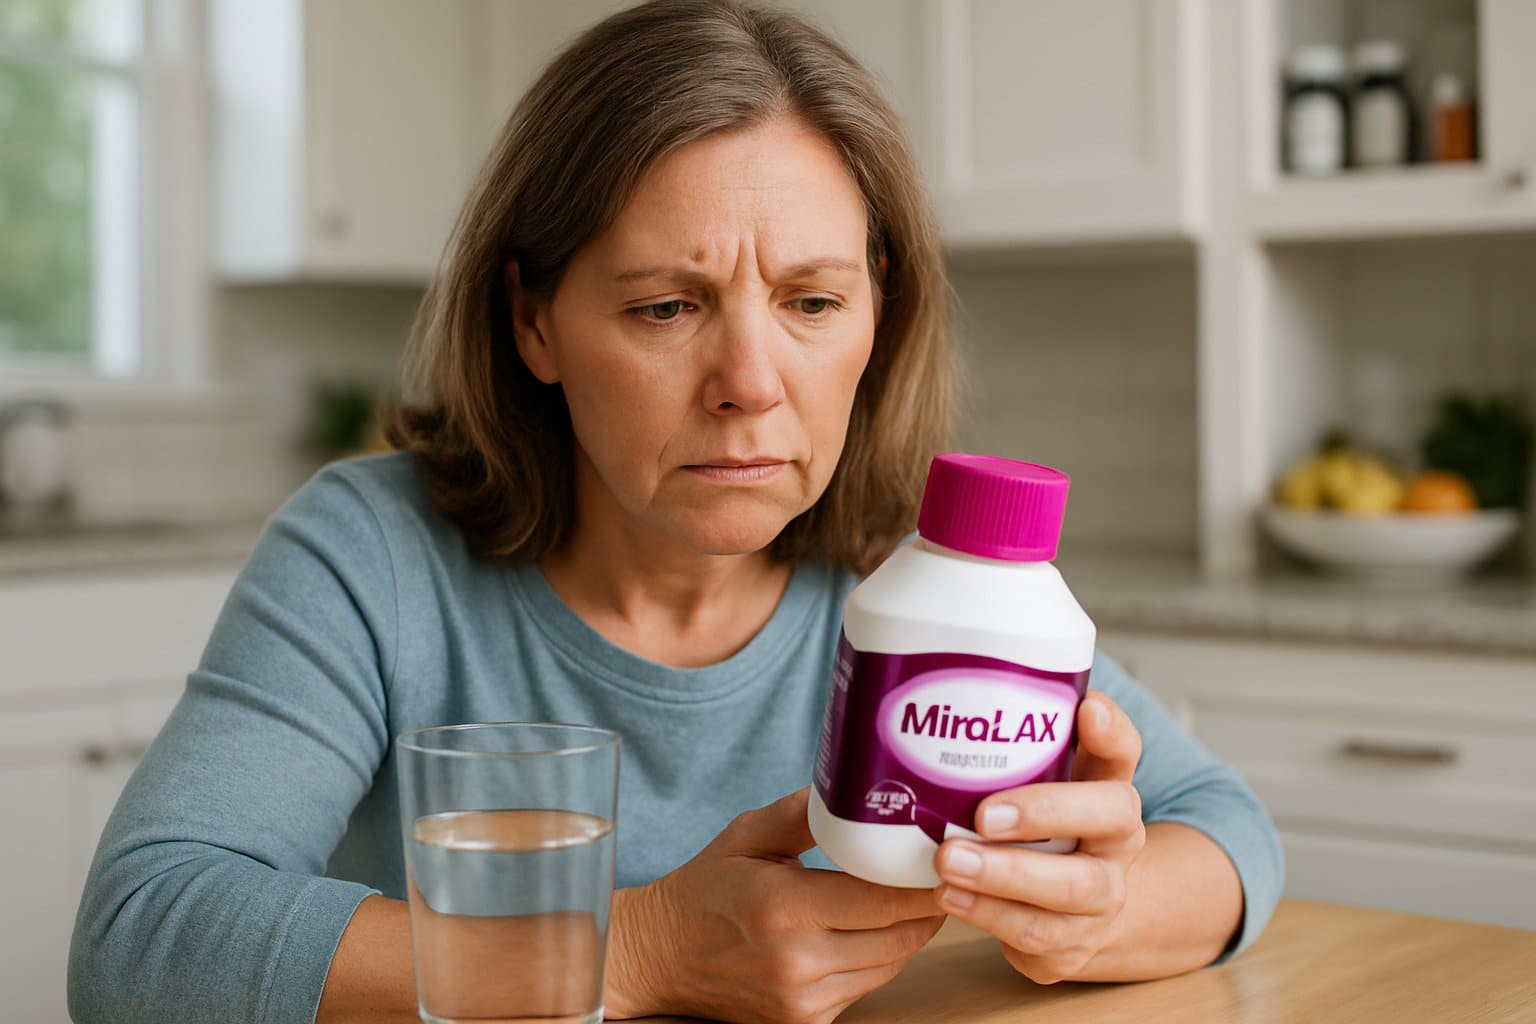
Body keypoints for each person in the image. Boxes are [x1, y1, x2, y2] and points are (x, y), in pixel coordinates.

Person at [68, 2, 1284, 1022]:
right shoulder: (375, 556)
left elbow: (1226, 831)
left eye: (812, 303)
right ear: (533, 321)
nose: (751, 382)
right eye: (665, 307)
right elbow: (139, 933)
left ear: (879, 320)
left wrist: (1094, 908)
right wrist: (633, 947)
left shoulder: (914, 592)